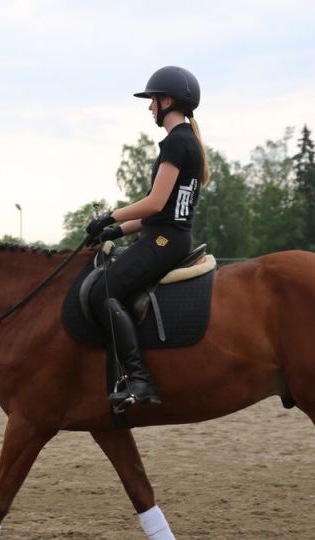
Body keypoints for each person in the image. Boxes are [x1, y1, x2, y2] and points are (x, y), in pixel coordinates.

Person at [84, 66, 209, 410]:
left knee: (103, 291)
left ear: (168, 100)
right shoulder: (186, 142)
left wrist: (108, 215)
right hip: (165, 236)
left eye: (152, 100)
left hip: (165, 242)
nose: (149, 107)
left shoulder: (176, 143)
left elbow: (154, 203)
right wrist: (115, 230)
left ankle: (139, 379)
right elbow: (159, 212)